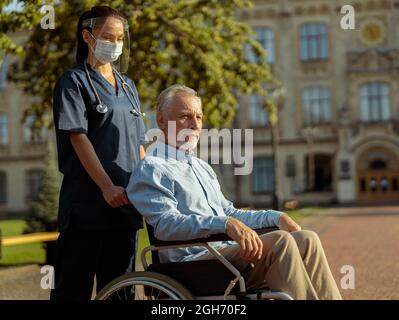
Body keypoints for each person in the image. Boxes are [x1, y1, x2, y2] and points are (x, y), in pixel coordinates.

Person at [126, 84, 342, 300]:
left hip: (225, 254)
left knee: (306, 238)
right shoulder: (152, 167)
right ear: (161, 120)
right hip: (194, 263)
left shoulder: (202, 168)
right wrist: (225, 224)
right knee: (281, 242)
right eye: (185, 116)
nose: (194, 125)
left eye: (199, 117)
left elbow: (230, 212)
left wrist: (276, 217)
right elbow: (166, 225)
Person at [51, 6, 147, 300]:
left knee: (120, 293)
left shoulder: (129, 87)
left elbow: (139, 145)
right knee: (72, 291)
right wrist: (106, 186)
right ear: (87, 36)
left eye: (120, 38)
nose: (115, 44)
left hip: (125, 210)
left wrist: (149, 189)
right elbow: (77, 136)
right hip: (87, 210)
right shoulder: (73, 82)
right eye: (108, 36)